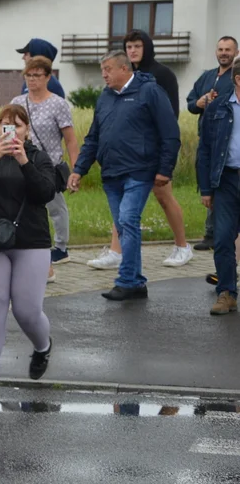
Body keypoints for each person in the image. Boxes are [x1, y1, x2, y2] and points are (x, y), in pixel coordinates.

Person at [69, 51, 180, 301]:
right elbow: (93, 138)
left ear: (124, 68)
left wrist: (165, 170)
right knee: (123, 226)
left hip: (139, 171)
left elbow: (170, 132)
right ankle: (137, 283)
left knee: (129, 220)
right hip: (111, 174)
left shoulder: (149, 92)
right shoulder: (105, 98)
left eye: (108, 69)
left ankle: (127, 280)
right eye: (102, 71)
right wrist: (79, 170)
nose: (104, 75)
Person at [0, 104, 56, 396]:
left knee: (27, 310)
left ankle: (43, 347)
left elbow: (45, 193)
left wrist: (23, 161)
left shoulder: (37, 157)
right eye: (5, 125)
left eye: (17, 125)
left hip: (31, 241)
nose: (11, 130)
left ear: (26, 130)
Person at [87, 32, 192, 269]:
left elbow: (169, 116)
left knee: (164, 198)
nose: (133, 50)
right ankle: (117, 251)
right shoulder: (115, 81)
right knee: (126, 208)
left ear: (147, 47)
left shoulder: (162, 75)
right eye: (129, 46)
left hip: (152, 152)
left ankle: (182, 246)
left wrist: (160, 154)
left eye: (137, 45)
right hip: (128, 157)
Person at [10, 56, 78, 269]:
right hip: (21, 162)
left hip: (48, 164)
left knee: (55, 207)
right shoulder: (17, 102)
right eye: (28, 75)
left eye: (37, 75)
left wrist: (76, 170)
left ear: (48, 77)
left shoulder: (58, 104)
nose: (32, 80)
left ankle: (60, 247)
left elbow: (70, 138)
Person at [197, 56, 240, 315]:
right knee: (223, 238)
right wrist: (206, 189)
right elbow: (205, 150)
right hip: (226, 180)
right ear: (238, 79)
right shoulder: (218, 108)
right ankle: (226, 292)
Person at [188, 36, 239, 252]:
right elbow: (191, 103)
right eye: (220, 49)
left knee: (221, 187)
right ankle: (211, 233)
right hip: (207, 138)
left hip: (227, 142)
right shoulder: (206, 76)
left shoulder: (234, 77)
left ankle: (220, 235)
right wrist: (199, 102)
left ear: (235, 52)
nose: (223, 53)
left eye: (228, 49)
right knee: (208, 183)